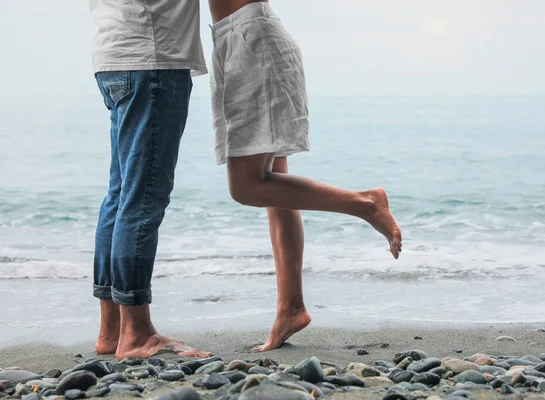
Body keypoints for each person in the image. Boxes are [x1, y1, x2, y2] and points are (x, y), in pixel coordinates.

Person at [208, 0, 403, 351]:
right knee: (274, 191)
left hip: (251, 42)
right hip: (240, 40)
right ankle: (291, 309)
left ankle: (365, 203)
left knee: (247, 187)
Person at [89, 0, 212, 360]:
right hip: (152, 59)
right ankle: (138, 334)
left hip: (115, 56)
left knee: (121, 195)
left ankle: (112, 330)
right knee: (142, 200)